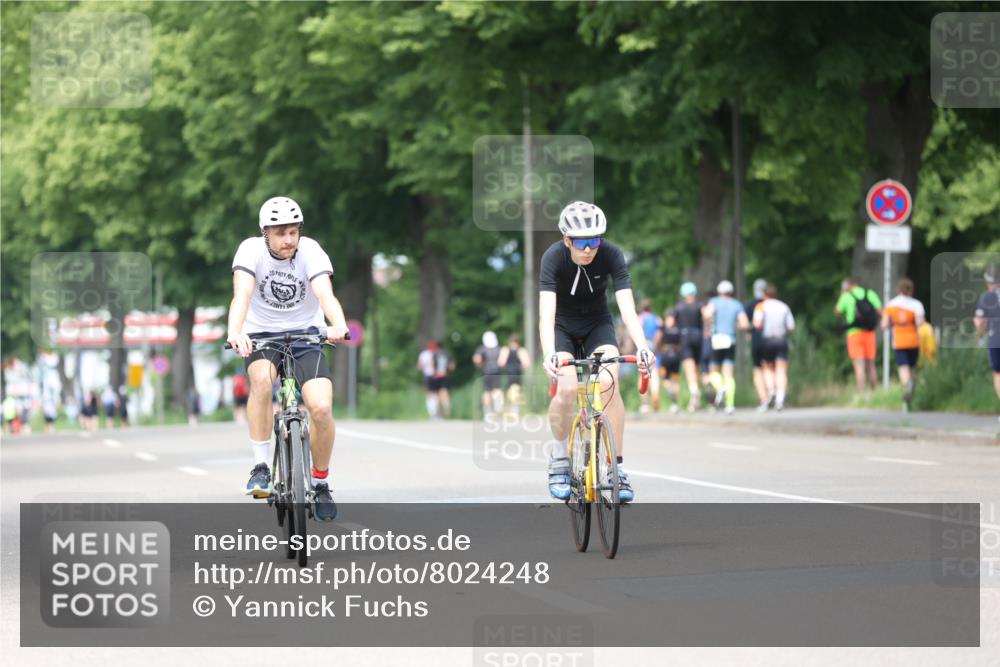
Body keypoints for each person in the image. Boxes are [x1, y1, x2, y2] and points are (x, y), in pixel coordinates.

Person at [227, 195, 349, 522]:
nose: (288, 239)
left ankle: (321, 483)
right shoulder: (250, 250)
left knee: (321, 408)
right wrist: (235, 332)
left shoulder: (310, 250)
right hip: (262, 337)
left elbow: (325, 293)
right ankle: (261, 467)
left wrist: (338, 324)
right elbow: (242, 294)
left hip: (306, 336)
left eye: (293, 232)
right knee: (263, 382)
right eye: (280, 232)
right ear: (265, 232)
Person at [539, 201, 653, 503]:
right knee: (565, 390)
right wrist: (550, 352)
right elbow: (546, 315)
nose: (589, 248)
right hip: (562, 327)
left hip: (597, 325)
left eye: (595, 240)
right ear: (566, 239)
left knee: (609, 383)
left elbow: (627, 307)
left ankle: (615, 469)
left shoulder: (612, 254)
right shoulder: (553, 257)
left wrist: (643, 346)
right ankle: (560, 458)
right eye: (581, 242)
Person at [703, 280, 750, 414]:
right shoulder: (737, 304)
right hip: (731, 339)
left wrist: (710, 321)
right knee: (728, 373)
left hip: (717, 338)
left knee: (713, 370)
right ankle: (730, 404)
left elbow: (707, 314)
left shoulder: (714, 302)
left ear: (719, 291)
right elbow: (745, 324)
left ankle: (721, 388)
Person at [881, 277, 925, 411]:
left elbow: (884, 325)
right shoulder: (916, 304)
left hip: (899, 341)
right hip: (913, 340)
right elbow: (920, 323)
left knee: (903, 367)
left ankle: (907, 386)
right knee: (912, 367)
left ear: (898, 289)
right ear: (911, 290)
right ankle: (911, 389)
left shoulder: (891, 305)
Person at [752, 283, 796, 411]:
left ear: (764, 294)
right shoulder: (784, 306)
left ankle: (771, 391)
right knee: (781, 370)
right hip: (782, 340)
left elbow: (757, 324)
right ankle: (780, 399)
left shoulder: (761, 306)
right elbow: (791, 327)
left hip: (768, 341)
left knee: (767, 367)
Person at [835, 277, 882, 392]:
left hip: (854, 333)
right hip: (869, 333)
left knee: (859, 365)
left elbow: (837, 311)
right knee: (870, 364)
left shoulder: (846, 296)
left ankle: (862, 393)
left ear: (848, 285)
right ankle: (875, 393)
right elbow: (880, 311)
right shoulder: (869, 293)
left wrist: (842, 294)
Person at [671, 282, 705, 412]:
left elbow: (672, 323)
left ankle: (694, 391)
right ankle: (698, 397)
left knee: (689, 368)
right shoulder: (699, 306)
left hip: (685, 337)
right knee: (697, 367)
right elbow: (706, 320)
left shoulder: (679, 308)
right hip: (698, 337)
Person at [973, 266, 1000, 412]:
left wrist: (979, 334)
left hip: (996, 339)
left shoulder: (986, 297)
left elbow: (980, 321)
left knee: (998, 373)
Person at [745, 278, 769, 407]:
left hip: (756, 340)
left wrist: (749, 332)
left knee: (758, 369)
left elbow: (745, 324)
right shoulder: (773, 304)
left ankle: (764, 398)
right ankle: (774, 394)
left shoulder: (750, 305)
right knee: (770, 368)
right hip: (772, 340)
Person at [637, 299, 662, 412]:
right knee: (654, 371)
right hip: (653, 346)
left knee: (642, 373)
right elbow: (659, 333)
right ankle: (655, 394)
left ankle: (645, 403)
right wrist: (655, 345)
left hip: (643, 345)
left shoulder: (640, 319)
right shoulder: (657, 319)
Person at [498, 334, 531, 418]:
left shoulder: (506, 350)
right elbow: (526, 363)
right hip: (518, 373)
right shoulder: (521, 350)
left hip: (509, 373)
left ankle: (507, 409)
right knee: (517, 391)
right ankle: (515, 411)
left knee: (507, 392)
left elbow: (501, 363)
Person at [473, 330, 504, 419]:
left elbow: (477, 359)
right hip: (496, 372)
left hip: (486, 372)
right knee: (497, 390)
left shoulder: (482, 349)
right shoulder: (498, 348)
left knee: (487, 392)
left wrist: (481, 365)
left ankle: (488, 413)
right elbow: (502, 361)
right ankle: (498, 409)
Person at [658, 309, 683, 413]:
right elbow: (681, 344)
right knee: (676, 379)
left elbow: (658, 340)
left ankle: (669, 389)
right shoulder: (679, 329)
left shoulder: (663, 329)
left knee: (663, 376)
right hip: (676, 355)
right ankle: (675, 403)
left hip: (666, 356)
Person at [417, 341, 440, 418]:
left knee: (429, 394)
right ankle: (435, 412)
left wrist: (425, 368)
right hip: (434, 375)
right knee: (436, 394)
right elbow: (434, 364)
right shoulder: (434, 353)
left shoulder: (423, 354)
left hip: (426, 375)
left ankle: (431, 412)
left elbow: (419, 366)